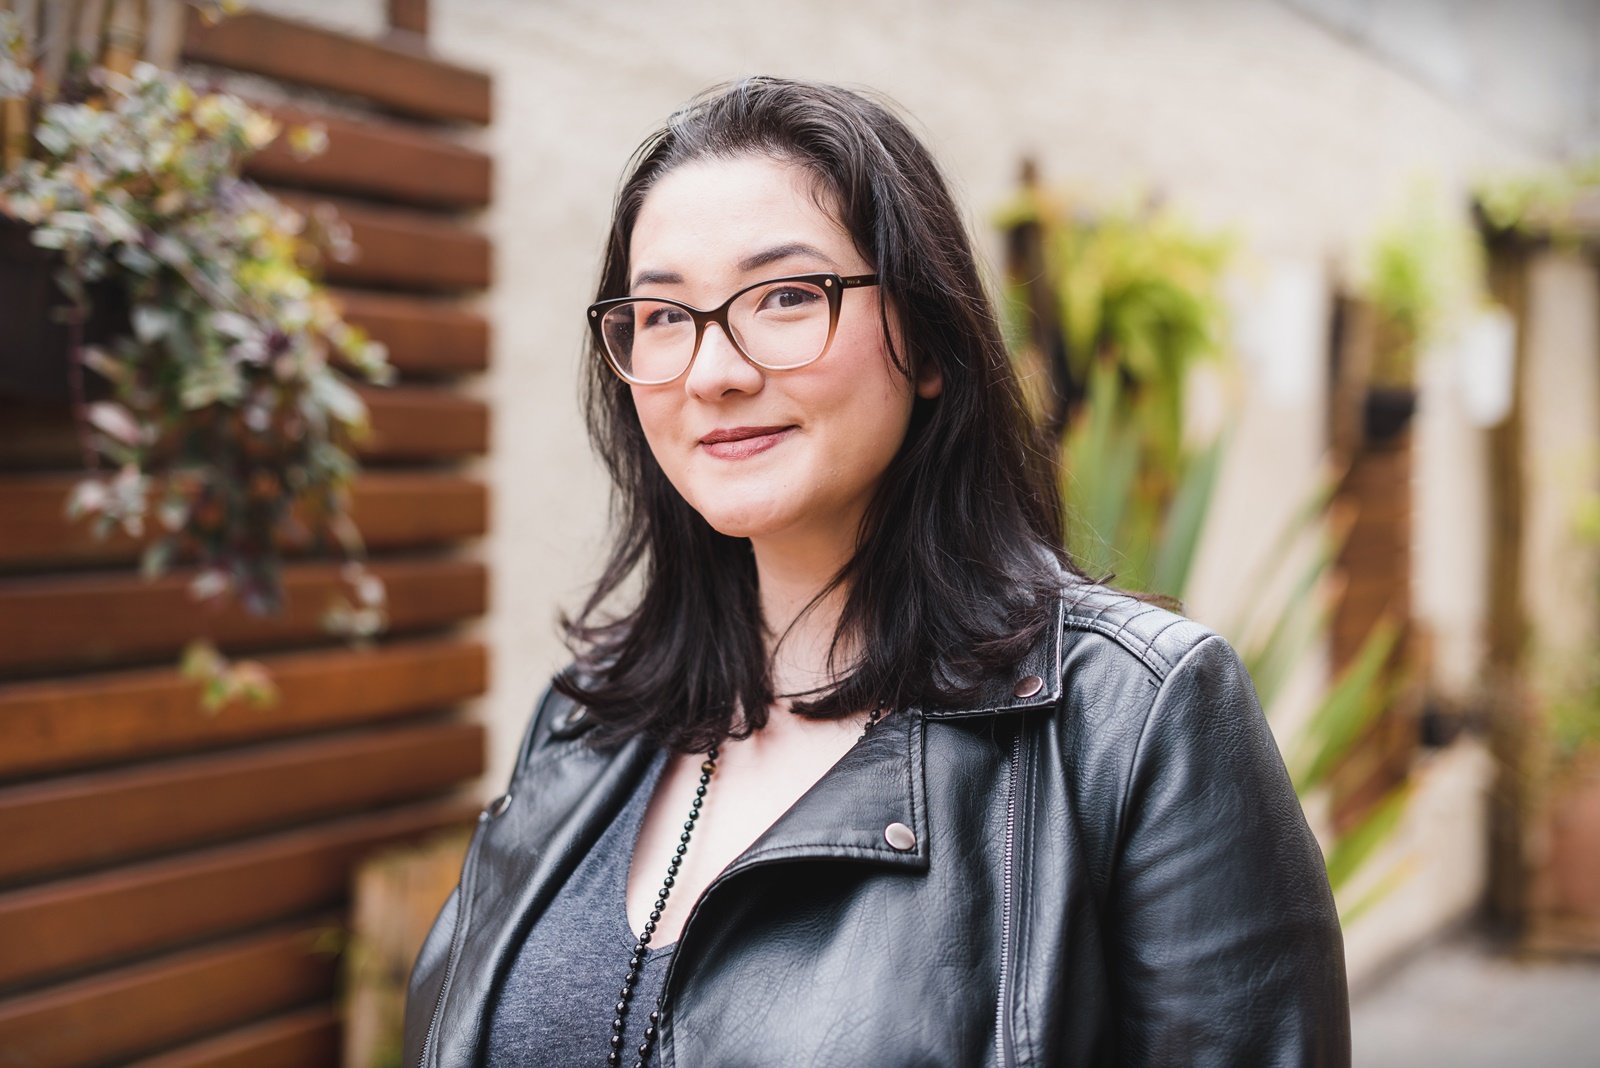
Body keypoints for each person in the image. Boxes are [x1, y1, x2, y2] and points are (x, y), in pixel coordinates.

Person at [403, 76, 1349, 1068]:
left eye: (785, 296)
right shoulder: (583, 721)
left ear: (928, 340)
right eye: (662, 314)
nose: (712, 371)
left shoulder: (1131, 723)